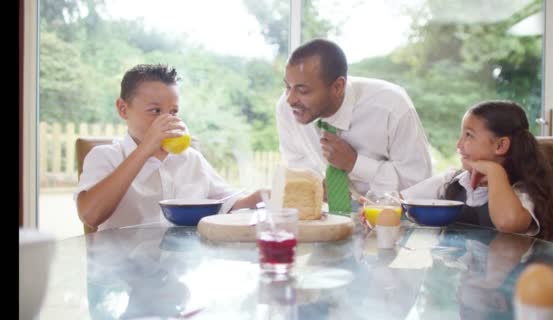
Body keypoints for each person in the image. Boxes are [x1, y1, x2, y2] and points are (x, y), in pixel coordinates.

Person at [75, 63, 264, 231]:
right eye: (155, 111)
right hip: (124, 266)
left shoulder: (190, 159)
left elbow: (228, 201)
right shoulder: (105, 156)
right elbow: (91, 216)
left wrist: (259, 196)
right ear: (123, 109)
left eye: (173, 111)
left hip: (181, 265)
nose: (168, 120)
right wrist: (144, 150)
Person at [275, 38, 433, 204]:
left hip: (391, 218)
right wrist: (315, 186)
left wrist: (354, 163)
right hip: (326, 219)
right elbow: (298, 163)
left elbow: (419, 186)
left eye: (303, 91)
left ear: (337, 87)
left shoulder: (391, 106)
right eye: (287, 87)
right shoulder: (287, 110)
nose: (290, 99)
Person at [400, 100, 553, 239]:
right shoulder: (452, 181)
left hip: (506, 274)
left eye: (469, 135)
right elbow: (396, 202)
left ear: (500, 145)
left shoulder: (521, 191)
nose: (459, 145)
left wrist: (495, 172)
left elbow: (507, 223)